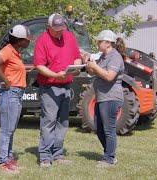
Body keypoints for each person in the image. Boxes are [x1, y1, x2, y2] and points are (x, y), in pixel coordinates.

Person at [33, 13, 82, 168]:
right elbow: (39, 66)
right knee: (49, 122)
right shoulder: (42, 40)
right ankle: (45, 157)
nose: (60, 31)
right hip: (49, 87)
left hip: (66, 86)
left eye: (61, 28)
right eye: (56, 29)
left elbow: (77, 57)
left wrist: (76, 68)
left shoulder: (69, 37)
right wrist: (55, 75)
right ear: (48, 27)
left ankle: (58, 154)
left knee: (63, 122)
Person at [0, 24, 35, 175]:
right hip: (10, 94)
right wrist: (7, 82)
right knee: (6, 131)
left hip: (15, 94)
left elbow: (12, 70)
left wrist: (25, 71)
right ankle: (2, 164)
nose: (29, 42)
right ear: (19, 40)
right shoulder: (7, 51)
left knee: (10, 130)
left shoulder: (15, 52)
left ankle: (8, 161)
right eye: (27, 40)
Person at [84, 30, 125, 168]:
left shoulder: (115, 57)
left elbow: (109, 76)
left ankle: (109, 158)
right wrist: (88, 64)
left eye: (99, 41)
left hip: (111, 97)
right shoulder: (103, 56)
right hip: (101, 97)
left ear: (108, 43)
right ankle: (108, 153)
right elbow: (93, 71)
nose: (97, 43)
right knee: (99, 128)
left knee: (108, 129)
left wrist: (95, 66)